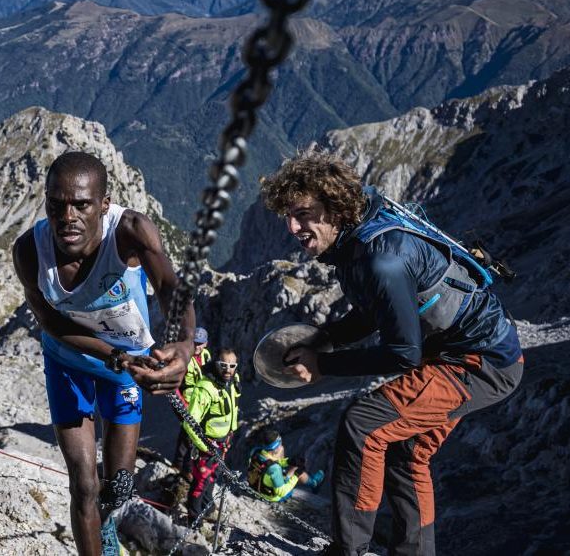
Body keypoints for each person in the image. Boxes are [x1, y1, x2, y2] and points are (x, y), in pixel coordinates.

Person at [260, 152, 523, 555]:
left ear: (334, 207)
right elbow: (376, 310)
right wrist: (323, 339)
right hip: (464, 351)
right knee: (408, 451)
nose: (293, 227)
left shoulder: (382, 258)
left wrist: (324, 364)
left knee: (363, 425)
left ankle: (349, 548)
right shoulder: (357, 235)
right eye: (288, 217)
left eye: (303, 214)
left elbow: (403, 354)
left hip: (479, 362)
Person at [13, 151, 195, 556]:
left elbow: (171, 290)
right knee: (84, 485)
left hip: (126, 364)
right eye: (56, 205)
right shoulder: (30, 251)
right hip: (69, 361)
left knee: (119, 485)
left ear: (104, 204)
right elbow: (52, 323)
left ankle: (108, 520)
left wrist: (185, 344)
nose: (68, 216)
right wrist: (117, 355)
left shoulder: (130, 231)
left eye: (81, 204)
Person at [182, 348, 241, 520]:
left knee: (213, 475)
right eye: (223, 365)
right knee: (201, 480)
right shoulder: (206, 388)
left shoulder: (232, 381)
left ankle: (207, 507)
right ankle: (194, 517)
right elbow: (189, 423)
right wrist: (204, 446)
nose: (228, 369)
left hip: (223, 441)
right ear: (216, 364)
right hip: (207, 444)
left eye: (232, 365)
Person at [173, 326, 211, 479]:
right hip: (186, 403)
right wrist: (181, 404)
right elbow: (175, 385)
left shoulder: (207, 356)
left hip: (200, 403)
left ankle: (181, 465)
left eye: (200, 343)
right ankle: (184, 468)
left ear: (206, 344)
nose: (197, 347)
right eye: (194, 343)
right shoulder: (183, 358)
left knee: (188, 434)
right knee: (190, 435)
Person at [246, 429, 325, 502]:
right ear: (275, 448)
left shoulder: (256, 451)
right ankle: (314, 484)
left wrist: (288, 461)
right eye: (280, 444)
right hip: (272, 496)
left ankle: (310, 481)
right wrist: (296, 475)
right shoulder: (275, 468)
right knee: (297, 471)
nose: (281, 446)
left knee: (291, 468)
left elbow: (267, 463)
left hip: (257, 487)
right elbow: (282, 492)